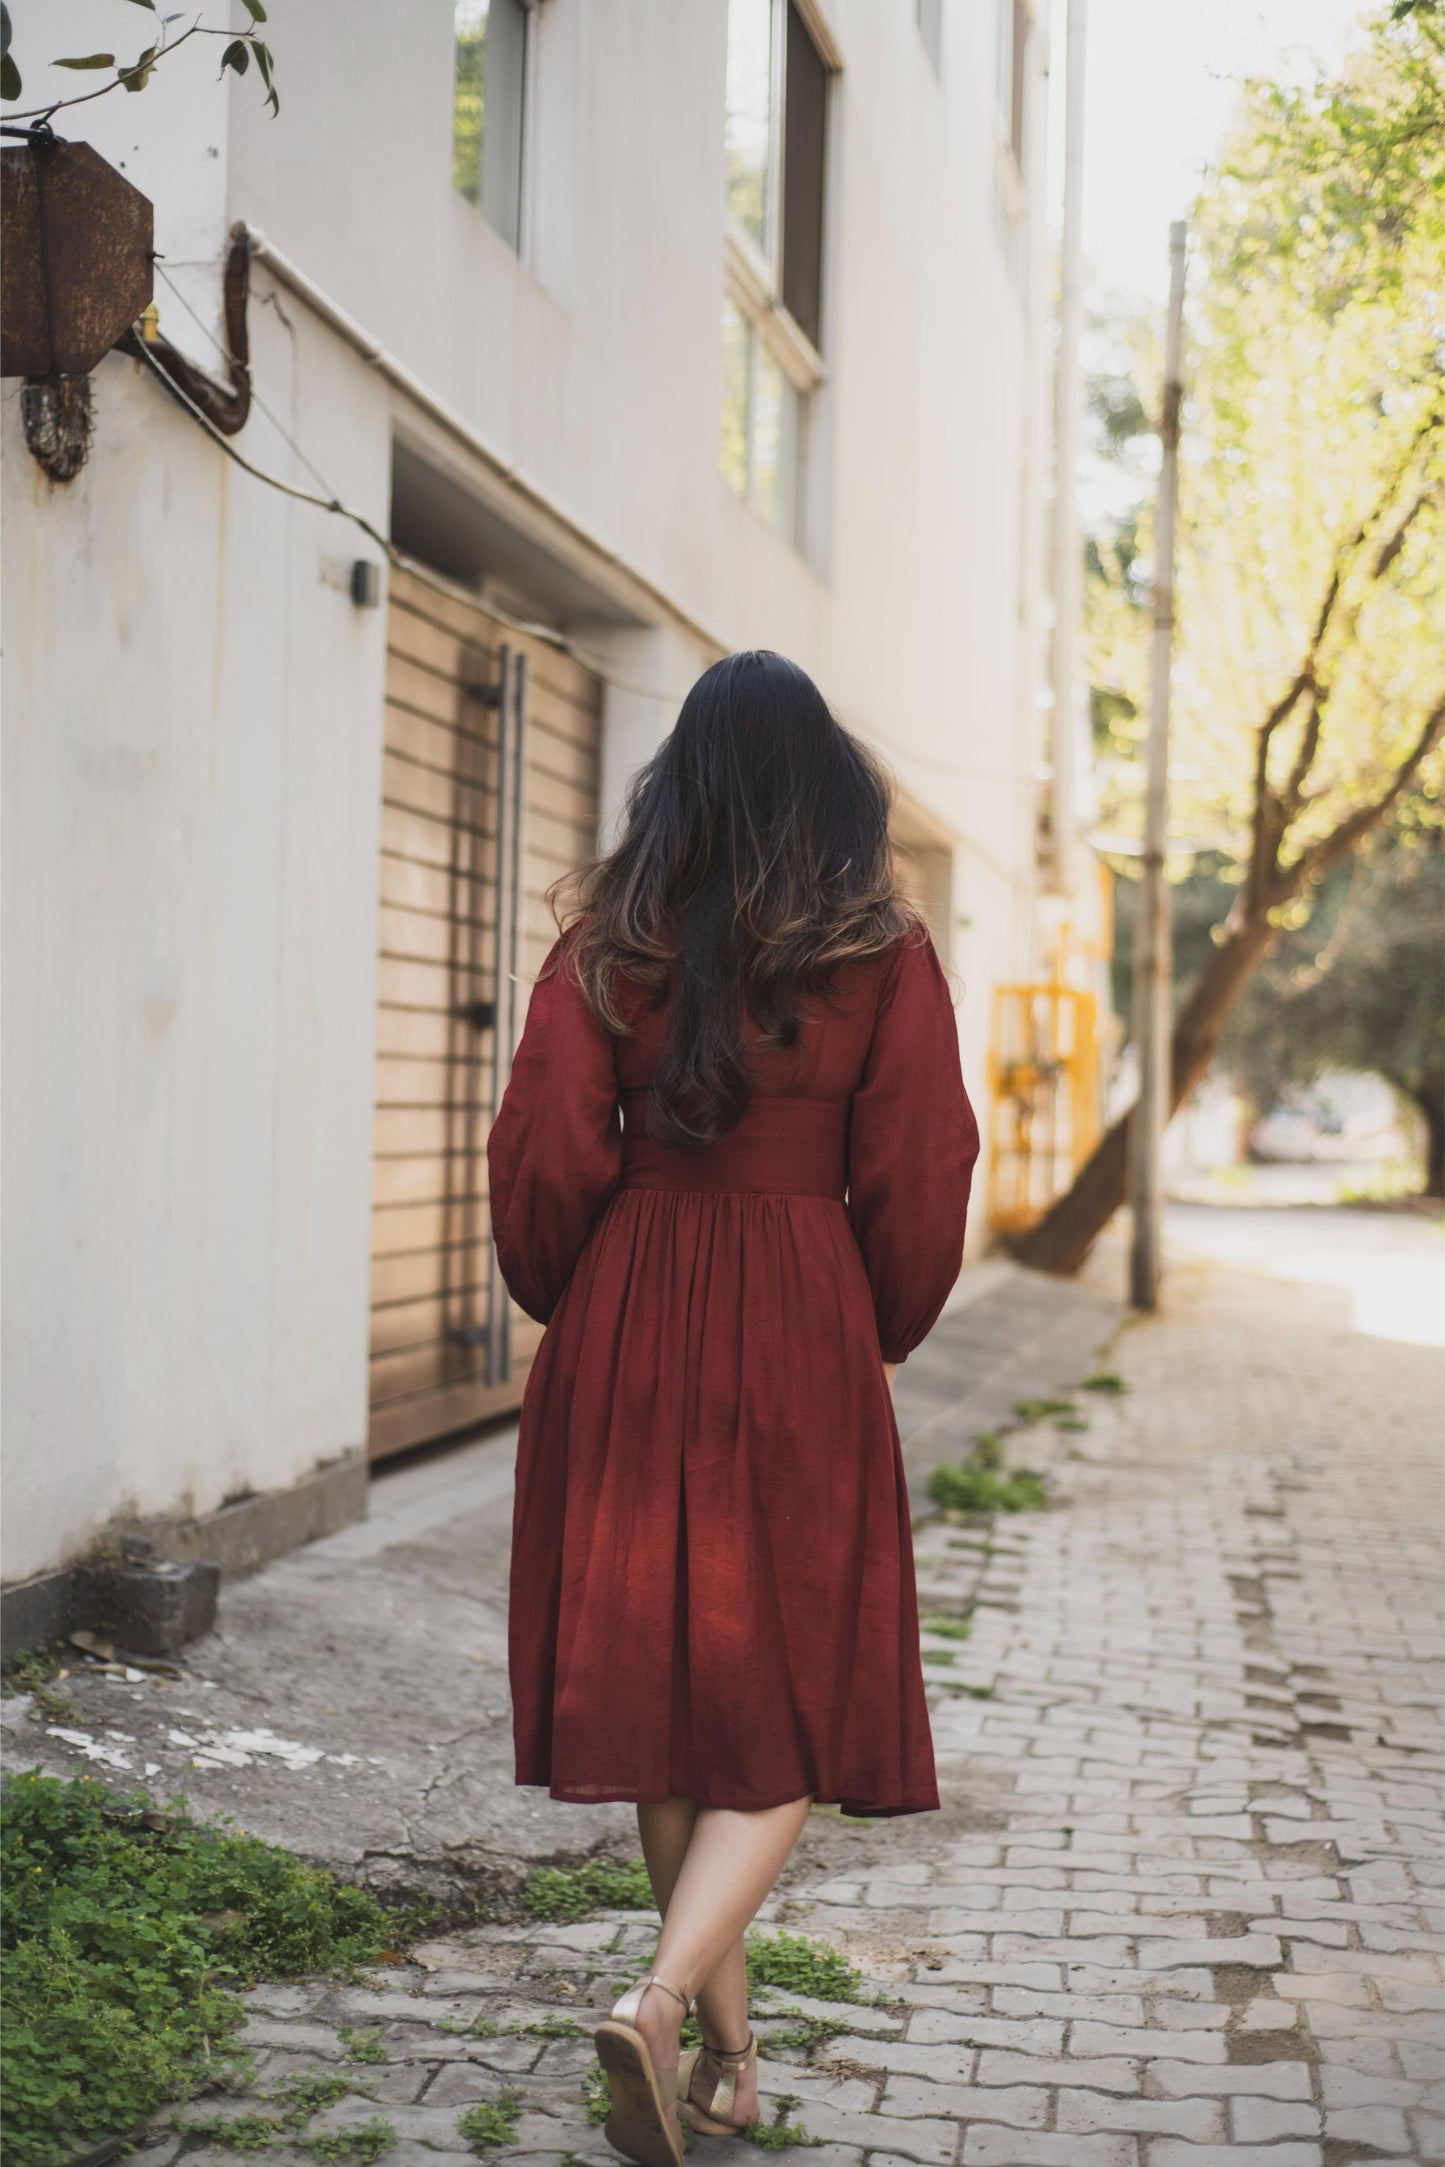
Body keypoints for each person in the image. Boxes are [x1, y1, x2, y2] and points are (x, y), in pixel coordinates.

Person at [487, 650, 979, 2167]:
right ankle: (660, 2006)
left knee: (668, 1721)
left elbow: (542, 1153)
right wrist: (878, 1322)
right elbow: (924, 1161)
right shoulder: (877, 951)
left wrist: (584, 1306)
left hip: (633, 1310)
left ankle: (728, 2070)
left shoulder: (608, 942)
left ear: (676, 785)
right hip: (799, 1323)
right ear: (826, 788)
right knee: (786, 1709)